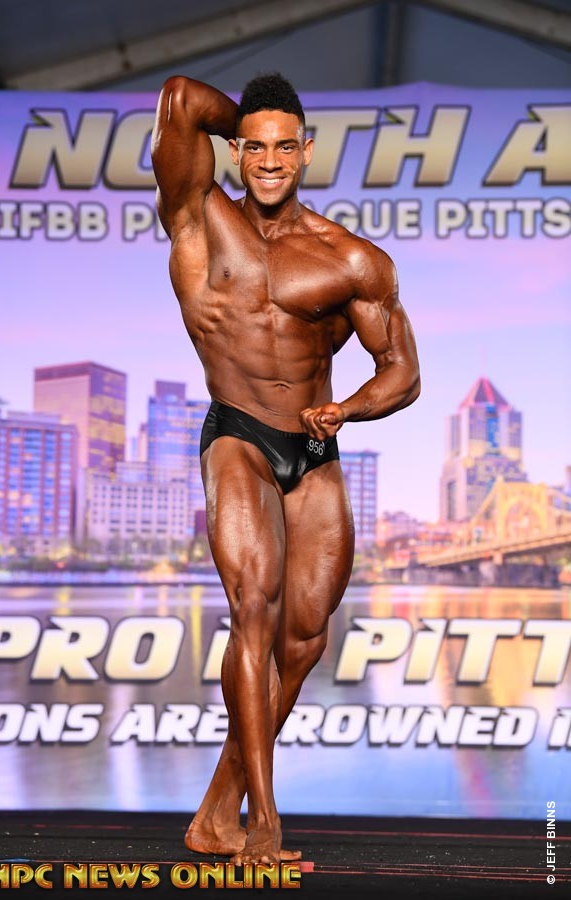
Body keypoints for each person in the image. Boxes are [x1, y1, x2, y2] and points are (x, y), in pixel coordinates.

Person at [151, 72, 420, 865]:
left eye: (285, 147)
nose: (270, 161)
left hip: (314, 445)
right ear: (236, 150)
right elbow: (180, 98)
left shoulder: (351, 259)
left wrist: (351, 410)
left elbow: (402, 372)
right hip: (238, 433)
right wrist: (250, 123)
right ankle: (263, 819)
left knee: (303, 643)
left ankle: (214, 813)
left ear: (307, 151)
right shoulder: (199, 217)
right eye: (255, 147)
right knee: (255, 610)